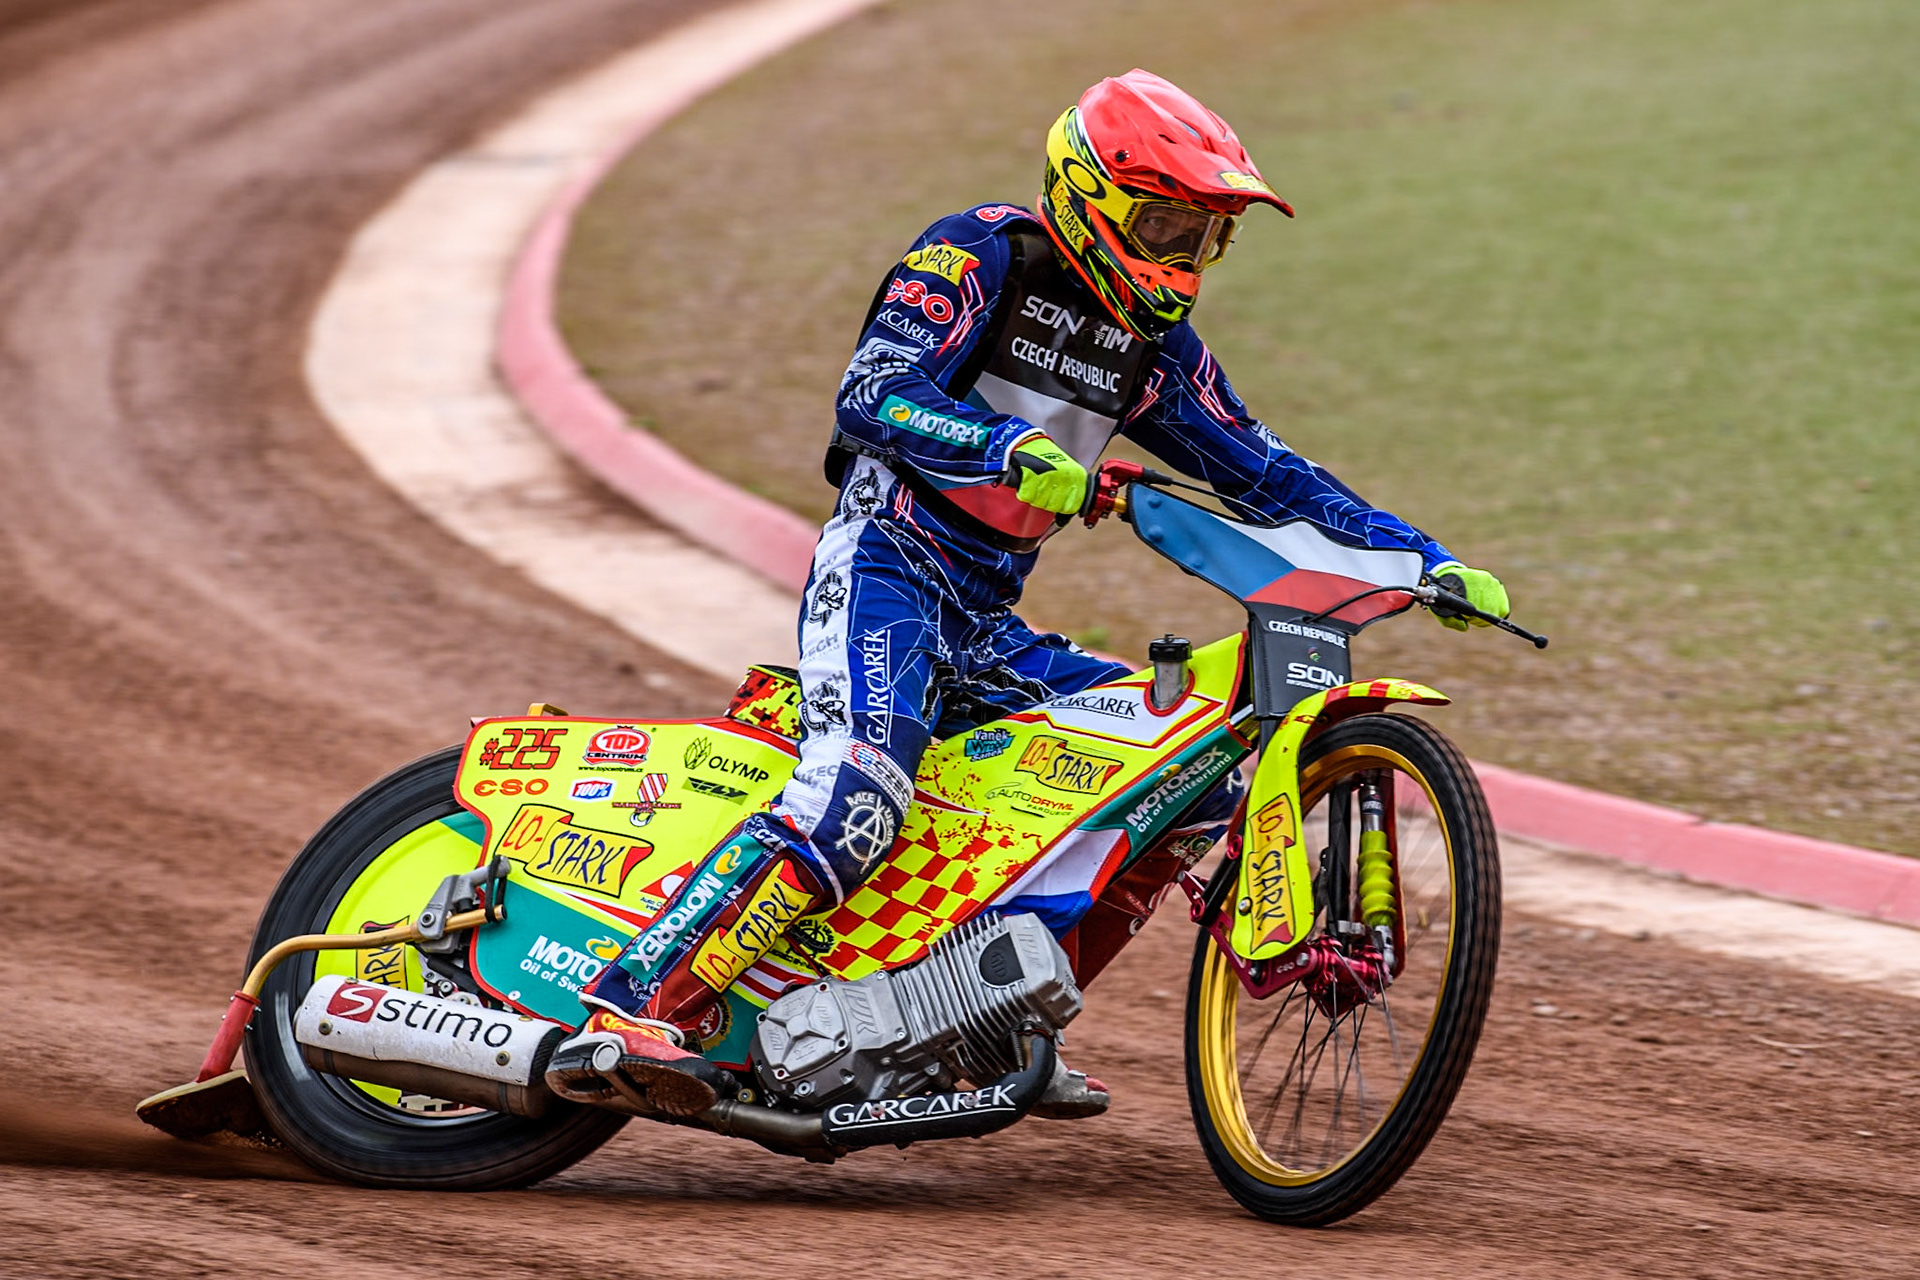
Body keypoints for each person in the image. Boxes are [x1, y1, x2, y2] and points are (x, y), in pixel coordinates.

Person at [546, 69, 1510, 1119]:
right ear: (1087, 194)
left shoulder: (1153, 351)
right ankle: (628, 1001)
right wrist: (1005, 447)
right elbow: (872, 396)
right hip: (885, 570)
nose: (1182, 261)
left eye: (1203, 240)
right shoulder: (978, 255)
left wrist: (1418, 558)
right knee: (859, 791)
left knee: (1186, 778)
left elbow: (1269, 474)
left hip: (985, 623)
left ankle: (995, 1021)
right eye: (1163, 225)